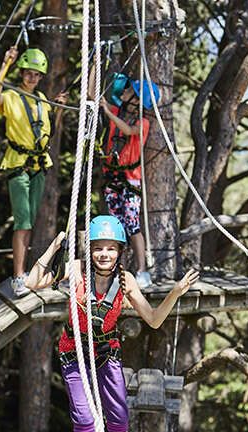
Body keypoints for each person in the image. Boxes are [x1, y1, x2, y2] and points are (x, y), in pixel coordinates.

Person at [25, 215, 199, 432]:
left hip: (107, 352)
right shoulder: (76, 271)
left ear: (120, 251)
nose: (104, 254)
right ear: (89, 250)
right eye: (98, 248)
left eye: (111, 248)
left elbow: (155, 319)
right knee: (83, 419)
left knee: (118, 414)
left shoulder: (125, 280)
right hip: (75, 353)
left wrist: (175, 292)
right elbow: (31, 282)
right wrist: (53, 247)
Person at [0, 46, 68, 297]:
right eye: (28, 73)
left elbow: (49, 135)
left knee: (30, 221)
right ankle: (18, 276)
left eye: (37, 75)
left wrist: (57, 108)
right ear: (22, 72)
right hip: (18, 164)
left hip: (38, 166)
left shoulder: (41, 102)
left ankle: (25, 273)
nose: (32, 78)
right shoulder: (12, 95)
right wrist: (5, 65)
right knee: (23, 221)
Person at [96, 73, 161, 288]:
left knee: (132, 225)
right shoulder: (116, 111)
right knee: (116, 226)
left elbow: (129, 130)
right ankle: (116, 271)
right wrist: (96, 61)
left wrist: (108, 113)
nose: (124, 92)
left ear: (137, 99)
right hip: (112, 179)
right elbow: (90, 94)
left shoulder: (143, 122)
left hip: (130, 181)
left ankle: (142, 270)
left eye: (130, 91)